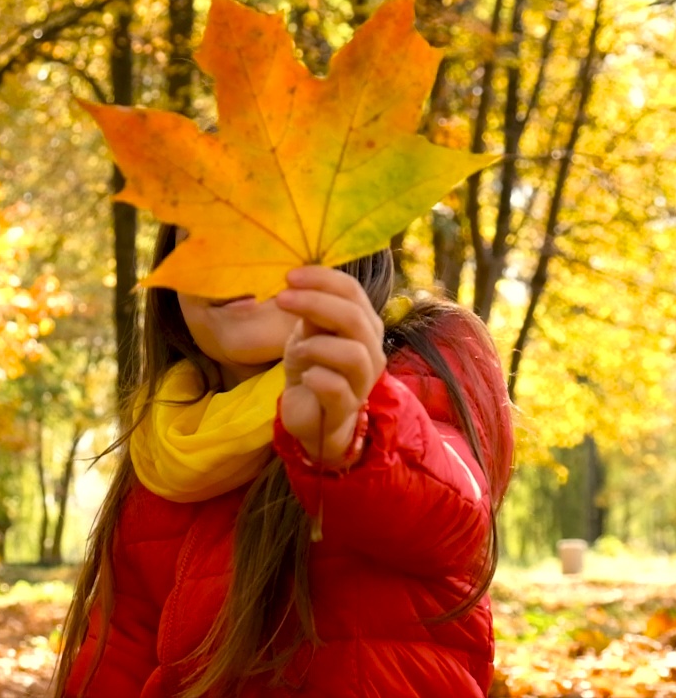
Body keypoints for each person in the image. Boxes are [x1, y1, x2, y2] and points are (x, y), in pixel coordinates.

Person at [52, 223, 514, 697]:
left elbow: (457, 516)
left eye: (265, 229)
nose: (227, 257)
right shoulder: (167, 441)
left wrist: (357, 439)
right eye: (194, 235)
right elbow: (120, 652)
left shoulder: (413, 378)